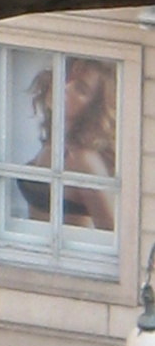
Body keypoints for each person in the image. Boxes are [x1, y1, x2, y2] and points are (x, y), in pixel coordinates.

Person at [19, 58, 116, 231]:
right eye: (65, 75)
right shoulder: (55, 141)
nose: (65, 86)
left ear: (93, 107)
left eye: (80, 88)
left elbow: (114, 234)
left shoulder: (84, 160)